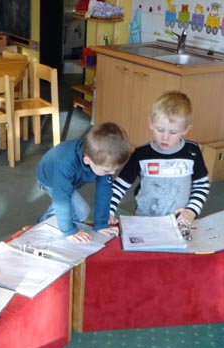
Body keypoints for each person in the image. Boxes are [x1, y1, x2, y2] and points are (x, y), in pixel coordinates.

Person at [109, 91, 210, 224]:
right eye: (160, 130)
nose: (165, 137)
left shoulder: (192, 152)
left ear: (186, 130)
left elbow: (201, 185)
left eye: (173, 132)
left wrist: (191, 211)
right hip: (145, 220)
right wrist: (109, 211)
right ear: (151, 123)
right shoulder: (141, 154)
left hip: (180, 222)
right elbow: (120, 186)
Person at [37, 122, 132, 243]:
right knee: (80, 211)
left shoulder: (103, 160)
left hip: (72, 179)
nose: (112, 173)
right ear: (87, 160)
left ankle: (56, 219)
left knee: (73, 209)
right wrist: (69, 231)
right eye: (108, 170)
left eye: (115, 169)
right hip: (50, 178)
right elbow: (61, 198)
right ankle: (43, 223)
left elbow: (104, 192)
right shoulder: (65, 163)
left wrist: (101, 224)